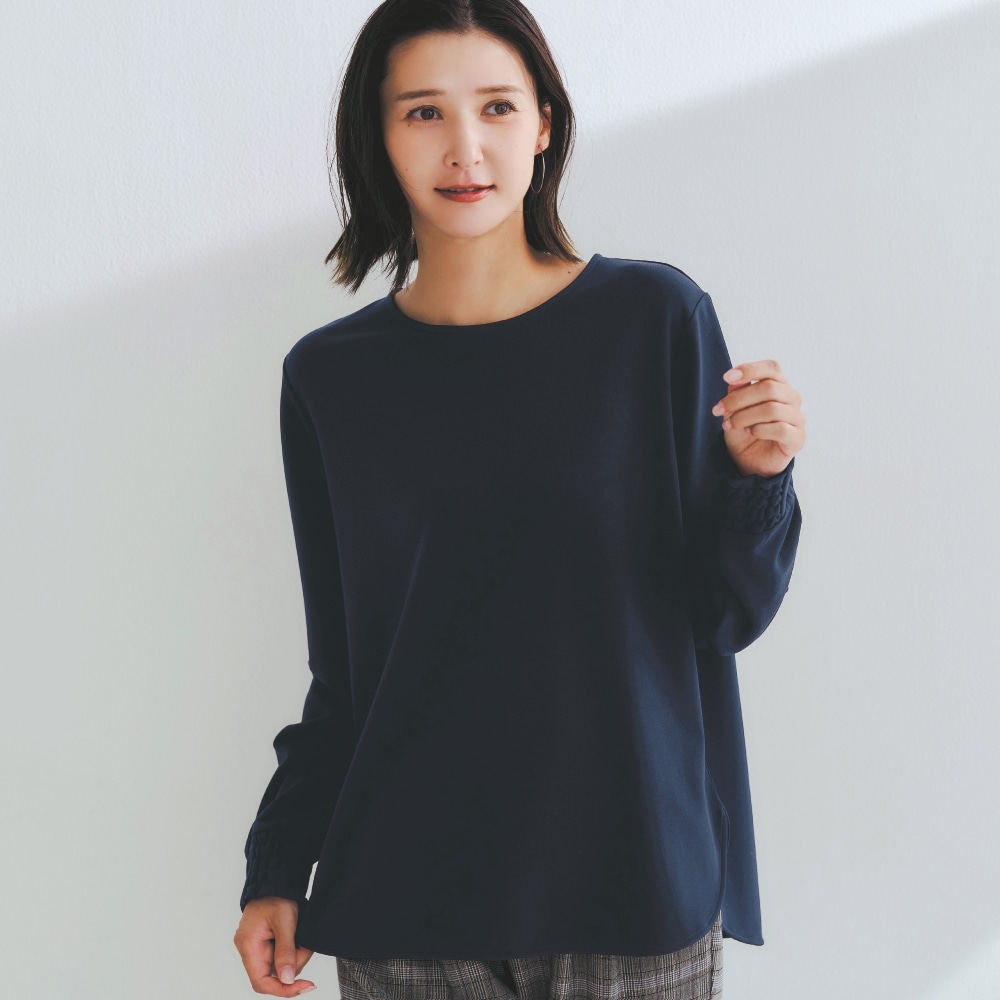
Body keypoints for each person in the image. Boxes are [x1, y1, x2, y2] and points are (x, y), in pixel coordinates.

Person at [232, 1, 806, 997]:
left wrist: (760, 480)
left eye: (496, 106)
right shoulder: (330, 379)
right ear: (378, 136)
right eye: (423, 112)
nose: (465, 147)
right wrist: (278, 864)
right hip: (406, 902)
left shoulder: (654, 321)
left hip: (631, 890)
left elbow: (727, 616)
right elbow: (348, 668)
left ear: (543, 125)